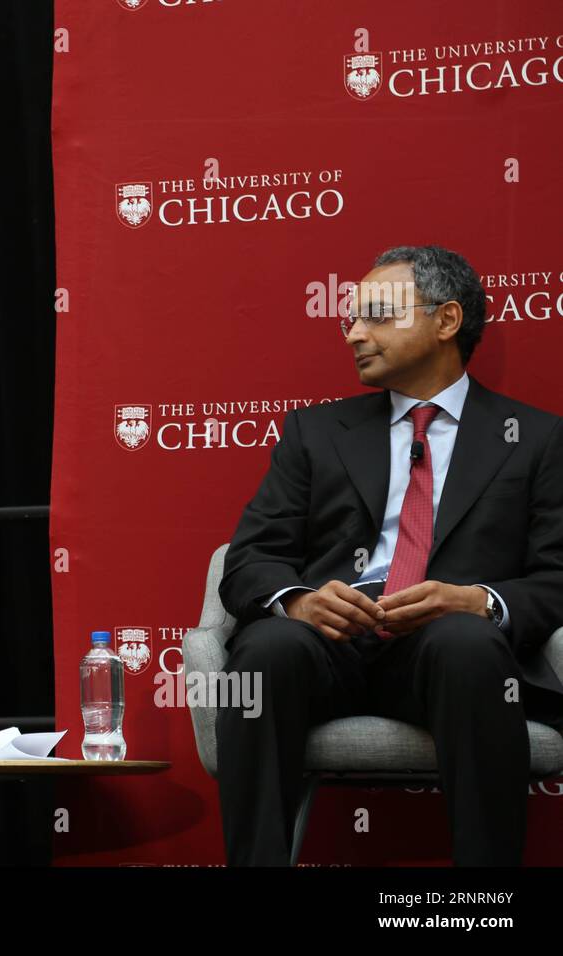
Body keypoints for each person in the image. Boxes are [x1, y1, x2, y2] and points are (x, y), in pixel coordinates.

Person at [217, 244, 563, 866]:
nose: (353, 332)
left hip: (444, 653)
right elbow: (250, 560)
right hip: (327, 647)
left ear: (447, 321)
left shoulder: (537, 440)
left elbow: (557, 577)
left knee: (467, 643)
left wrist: (478, 601)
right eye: (351, 317)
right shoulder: (314, 432)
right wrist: (298, 600)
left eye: (377, 314)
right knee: (266, 648)